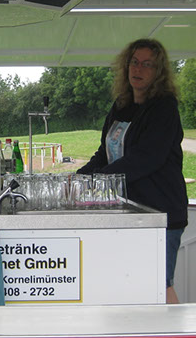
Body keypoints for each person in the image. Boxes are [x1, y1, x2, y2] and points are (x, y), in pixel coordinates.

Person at [77, 38, 188, 304]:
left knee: (160, 285)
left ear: (159, 71)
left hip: (160, 213)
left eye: (147, 64)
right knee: (132, 281)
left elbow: (146, 158)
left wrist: (100, 180)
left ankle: (174, 329)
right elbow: (104, 153)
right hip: (130, 212)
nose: (138, 69)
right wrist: (79, 177)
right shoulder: (121, 105)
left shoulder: (164, 107)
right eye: (134, 62)